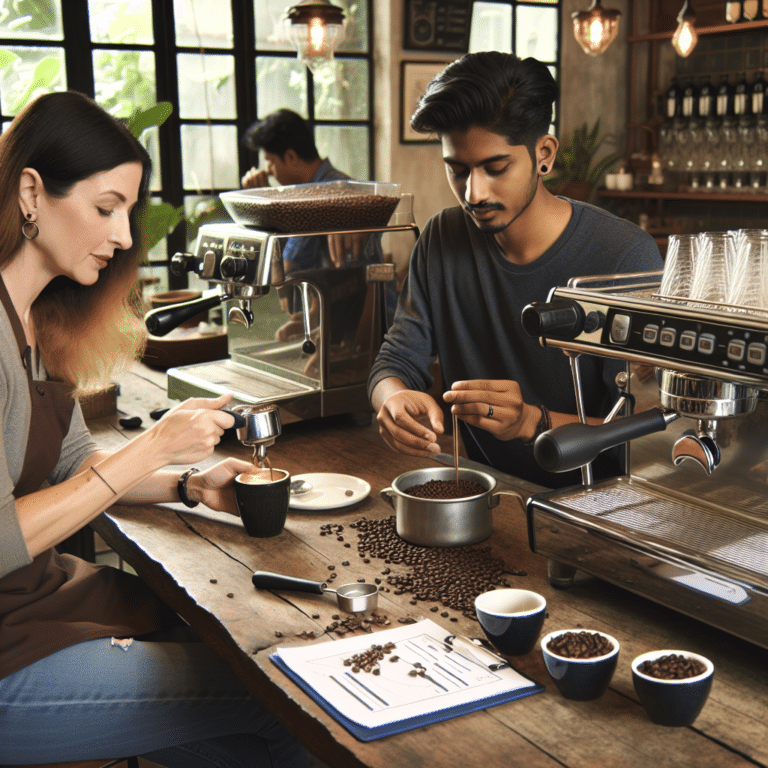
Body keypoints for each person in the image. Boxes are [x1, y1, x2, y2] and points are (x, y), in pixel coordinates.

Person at [0, 91, 308, 768]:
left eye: (127, 213)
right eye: (106, 208)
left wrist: (191, 484)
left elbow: (74, 464)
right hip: (7, 662)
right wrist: (154, 444)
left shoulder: (33, 322)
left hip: (37, 610)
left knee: (246, 708)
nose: (121, 235)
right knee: (287, 698)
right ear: (31, 193)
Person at [368, 52, 663, 490]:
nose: (474, 192)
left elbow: (651, 431)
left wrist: (530, 421)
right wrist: (393, 399)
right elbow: (395, 360)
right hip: (491, 493)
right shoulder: (441, 239)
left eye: (496, 167)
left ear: (544, 154)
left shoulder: (624, 256)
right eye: (458, 170)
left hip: (602, 506)